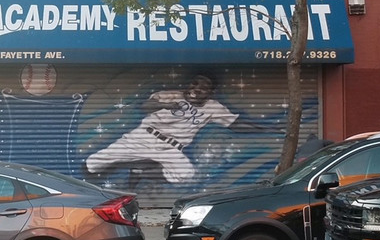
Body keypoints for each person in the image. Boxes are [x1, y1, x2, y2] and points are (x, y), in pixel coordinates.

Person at [85, 74, 271, 185]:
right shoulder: (172, 94)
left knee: (186, 174)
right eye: (195, 84)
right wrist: (166, 106)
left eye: (204, 88)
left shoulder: (213, 107)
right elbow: (145, 106)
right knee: (93, 163)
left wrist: (269, 129)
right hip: (143, 137)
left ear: (210, 93)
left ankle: (139, 170)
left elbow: (236, 124)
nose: (197, 89)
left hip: (172, 148)